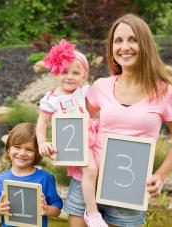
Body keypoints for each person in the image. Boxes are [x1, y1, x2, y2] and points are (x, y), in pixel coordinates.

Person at [64, 14, 172, 227]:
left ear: (145, 44)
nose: (124, 47)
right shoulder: (100, 86)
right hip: (87, 184)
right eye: (118, 41)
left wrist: (160, 176)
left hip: (128, 190)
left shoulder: (165, 92)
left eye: (133, 39)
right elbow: (75, 117)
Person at [36, 39, 108, 227]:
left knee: (96, 169)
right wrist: (43, 142)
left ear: (84, 76)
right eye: (64, 72)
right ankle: (92, 212)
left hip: (87, 139)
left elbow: (102, 101)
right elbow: (42, 123)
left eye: (75, 73)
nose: (69, 76)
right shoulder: (52, 99)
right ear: (56, 73)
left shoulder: (83, 92)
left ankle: (94, 208)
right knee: (90, 169)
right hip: (69, 143)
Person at [0, 122, 63, 227]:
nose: (22, 153)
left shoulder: (45, 178)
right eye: (17, 147)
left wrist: (47, 210)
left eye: (29, 149)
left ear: (37, 153)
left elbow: (57, 210)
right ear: (8, 149)